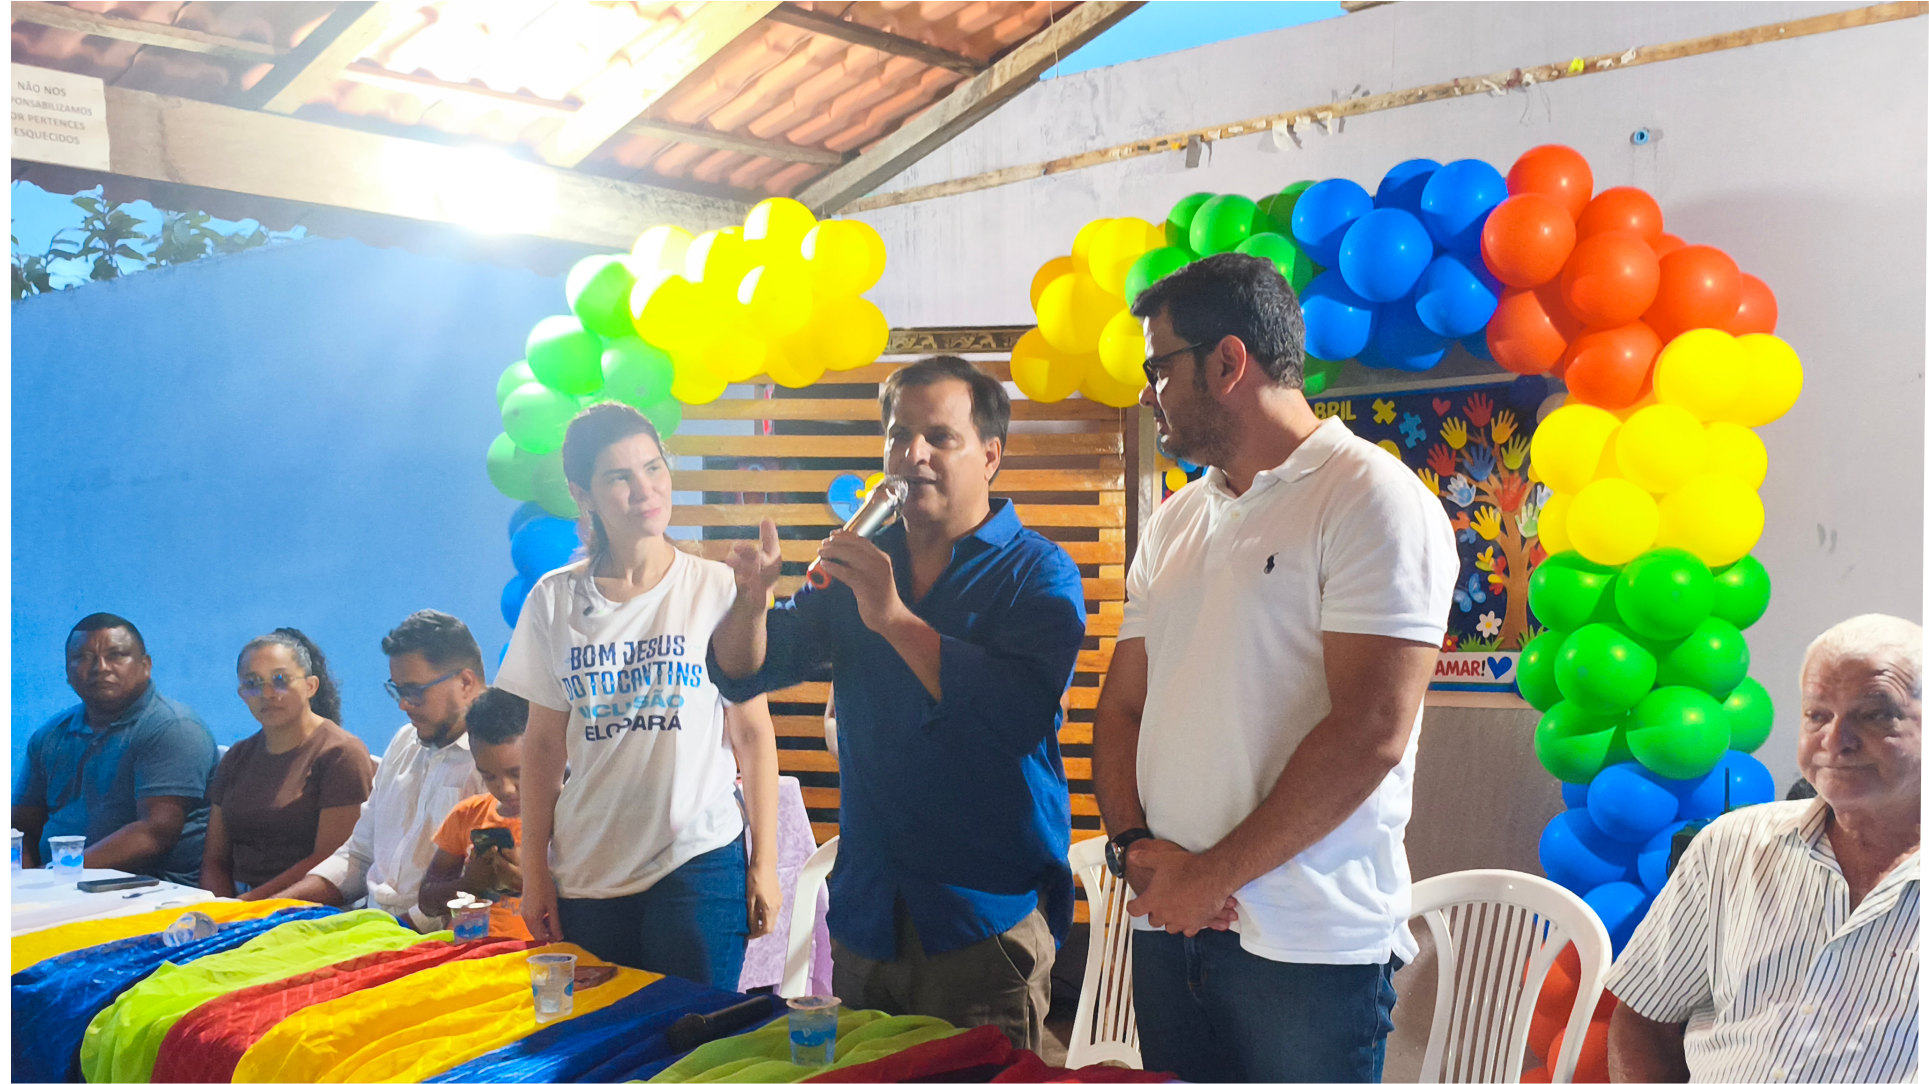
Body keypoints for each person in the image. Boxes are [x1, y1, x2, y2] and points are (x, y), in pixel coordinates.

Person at [1091, 253, 1457, 1084]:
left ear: (1226, 362)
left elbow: (1371, 731)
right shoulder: (1176, 520)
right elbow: (1120, 710)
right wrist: (1136, 849)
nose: (1149, 393)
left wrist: (1209, 877)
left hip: (1306, 944)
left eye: (1159, 368)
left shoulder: (1370, 498)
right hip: (1170, 924)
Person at [712, 355, 1087, 1052]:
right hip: (867, 918)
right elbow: (745, 672)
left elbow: (1014, 716)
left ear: (990, 456)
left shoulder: (1037, 572)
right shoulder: (860, 558)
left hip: (980, 919)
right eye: (896, 435)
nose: (910, 455)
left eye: (939, 438)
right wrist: (749, 603)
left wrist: (889, 615)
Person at [497, 402, 782, 988]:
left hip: (697, 861)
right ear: (584, 494)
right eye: (619, 477)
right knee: (608, 1052)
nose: (644, 489)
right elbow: (543, 748)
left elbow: (752, 733)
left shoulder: (718, 586)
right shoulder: (553, 600)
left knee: (694, 1055)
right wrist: (535, 875)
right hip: (588, 869)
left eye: (653, 468)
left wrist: (765, 865)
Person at [1607, 613, 1921, 1084]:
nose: (1835, 741)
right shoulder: (1731, 847)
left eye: (1875, 714)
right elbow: (1645, 1021)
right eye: (1818, 714)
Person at [277, 611, 487, 929]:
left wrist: (392, 932)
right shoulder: (405, 741)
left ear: (466, 682)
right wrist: (278, 908)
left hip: (431, 943)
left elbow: (480, 890)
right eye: (397, 690)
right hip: (373, 926)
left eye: (415, 691)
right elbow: (359, 856)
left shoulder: (499, 764)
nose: (403, 705)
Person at [12, 613, 220, 884]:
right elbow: (20, 829)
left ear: (146, 665)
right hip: (59, 889)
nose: (100, 667)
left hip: (150, 891)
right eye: (83, 657)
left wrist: (54, 876)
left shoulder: (173, 726)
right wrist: (24, 885)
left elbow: (153, 834)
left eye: (116, 655)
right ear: (66, 672)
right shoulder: (51, 735)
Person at [202, 628, 374, 899]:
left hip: (305, 907)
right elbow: (214, 858)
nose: (267, 693)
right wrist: (219, 908)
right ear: (241, 693)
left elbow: (332, 860)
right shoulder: (237, 756)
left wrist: (247, 907)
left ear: (310, 686)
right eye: (252, 682)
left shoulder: (341, 754)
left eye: (280, 679)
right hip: (233, 906)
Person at [420, 687, 532, 939]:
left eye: (517, 773)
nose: (505, 789)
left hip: (531, 957)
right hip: (466, 953)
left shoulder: (563, 818)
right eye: (488, 776)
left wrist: (533, 881)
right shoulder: (468, 814)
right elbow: (426, 901)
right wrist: (470, 884)